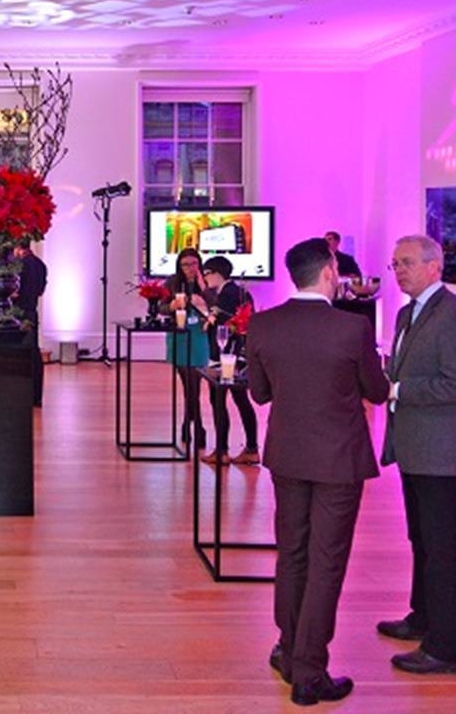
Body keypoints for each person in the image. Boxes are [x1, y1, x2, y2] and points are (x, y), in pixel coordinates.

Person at [246, 237, 388, 707]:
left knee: (292, 553)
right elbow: (376, 390)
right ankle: (309, 670)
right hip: (337, 461)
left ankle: (288, 649)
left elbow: (260, 395)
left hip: (287, 455)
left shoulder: (264, 325)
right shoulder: (352, 329)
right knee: (327, 561)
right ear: (329, 272)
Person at [378, 234, 456, 676]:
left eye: (406, 262)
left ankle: (448, 648)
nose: (399, 270)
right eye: (395, 264)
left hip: (444, 453)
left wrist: (397, 389)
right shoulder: (408, 312)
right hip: (416, 448)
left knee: (445, 548)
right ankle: (422, 618)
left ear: (434, 267)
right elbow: (399, 368)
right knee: (421, 539)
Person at [201, 255, 259, 465]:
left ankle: (221, 450)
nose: (205, 278)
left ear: (216, 273)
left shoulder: (227, 294)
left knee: (218, 400)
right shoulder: (239, 292)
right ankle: (251, 448)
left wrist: (209, 321)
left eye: (206, 274)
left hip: (225, 357)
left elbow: (221, 325)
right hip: (238, 356)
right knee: (241, 400)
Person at [161, 247, 211, 453]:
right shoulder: (172, 282)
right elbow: (158, 308)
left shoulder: (207, 282)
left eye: (193, 264)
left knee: (194, 384)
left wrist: (204, 291)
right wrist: (172, 306)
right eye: (185, 265)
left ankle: (191, 425)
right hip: (179, 335)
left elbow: (218, 308)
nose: (190, 268)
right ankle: (195, 426)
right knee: (188, 385)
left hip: (199, 334)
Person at [13, 239, 48, 407]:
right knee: (34, 351)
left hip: (19, 312)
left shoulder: (19, 265)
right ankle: (37, 395)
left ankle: (22, 393)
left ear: (19, 248)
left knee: (21, 353)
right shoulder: (40, 264)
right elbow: (41, 290)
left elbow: (14, 292)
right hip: (32, 310)